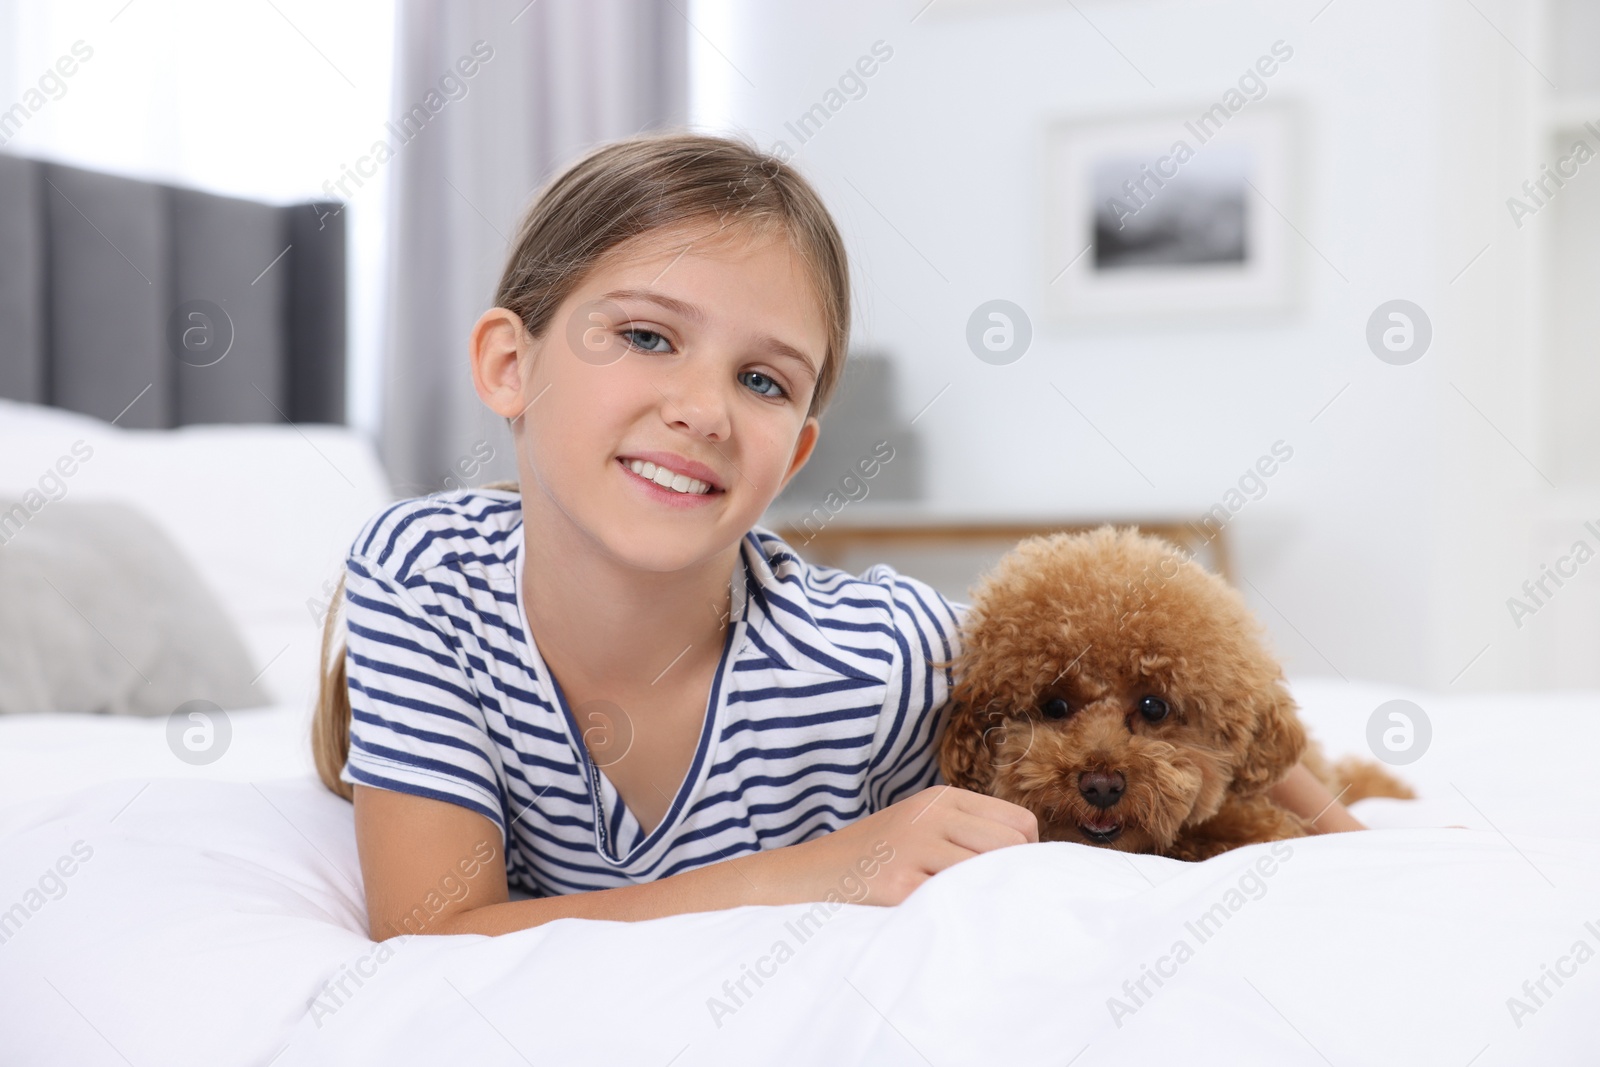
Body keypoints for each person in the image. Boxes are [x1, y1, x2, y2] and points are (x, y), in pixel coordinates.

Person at [309, 131, 1360, 941]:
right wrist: (823, 868)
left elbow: (1207, 700)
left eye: (761, 379)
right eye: (645, 335)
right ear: (507, 362)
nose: (703, 408)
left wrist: (1354, 845)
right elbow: (430, 934)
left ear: (797, 449)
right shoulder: (423, 577)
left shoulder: (879, 648)